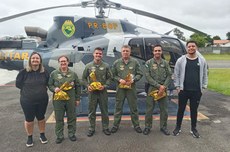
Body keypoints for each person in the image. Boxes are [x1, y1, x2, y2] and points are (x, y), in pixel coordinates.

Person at [173, 40, 208, 138]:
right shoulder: (181, 60)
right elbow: (176, 74)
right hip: (183, 90)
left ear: (196, 47)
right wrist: (177, 87)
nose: (191, 48)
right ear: (186, 48)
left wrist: (204, 87)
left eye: (193, 46)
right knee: (181, 109)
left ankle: (193, 129)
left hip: (196, 91)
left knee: (194, 110)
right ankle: (177, 127)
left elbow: (205, 74)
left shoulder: (202, 60)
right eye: (189, 46)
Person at [16, 52, 49, 147]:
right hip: (27, 101)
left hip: (42, 100)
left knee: (41, 118)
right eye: (33, 58)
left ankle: (42, 135)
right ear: (30, 60)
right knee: (29, 120)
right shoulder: (23, 72)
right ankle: (29, 137)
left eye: (37, 58)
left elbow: (47, 83)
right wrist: (29, 91)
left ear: (40, 61)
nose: (35, 60)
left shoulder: (44, 72)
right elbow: (18, 84)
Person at [48, 55, 81, 144]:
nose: (63, 63)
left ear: (68, 62)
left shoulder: (73, 74)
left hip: (70, 98)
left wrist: (77, 99)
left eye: (64, 61)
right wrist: (54, 89)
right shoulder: (54, 73)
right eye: (61, 61)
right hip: (58, 100)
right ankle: (59, 136)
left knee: (72, 117)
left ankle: (71, 134)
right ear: (59, 63)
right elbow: (50, 85)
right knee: (59, 118)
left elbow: (78, 86)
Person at [111, 45, 143, 133]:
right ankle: (115, 125)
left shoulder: (135, 62)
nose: (125, 52)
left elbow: (140, 74)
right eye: (124, 51)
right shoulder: (116, 63)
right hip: (120, 88)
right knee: (118, 107)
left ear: (130, 52)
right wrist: (119, 79)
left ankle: (136, 125)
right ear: (121, 52)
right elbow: (112, 75)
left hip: (131, 89)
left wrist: (133, 80)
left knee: (134, 108)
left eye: (127, 51)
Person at [82, 47, 113, 137]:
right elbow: (83, 78)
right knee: (92, 111)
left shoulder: (106, 66)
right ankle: (92, 128)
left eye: (100, 54)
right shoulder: (88, 66)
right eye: (96, 53)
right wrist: (88, 86)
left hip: (102, 92)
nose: (98, 55)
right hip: (92, 93)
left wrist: (105, 86)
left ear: (102, 55)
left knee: (104, 111)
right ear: (93, 54)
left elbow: (110, 78)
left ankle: (105, 128)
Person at [143, 44, 172, 135]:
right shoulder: (148, 63)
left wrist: (164, 86)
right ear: (153, 52)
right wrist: (159, 86)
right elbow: (148, 76)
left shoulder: (165, 63)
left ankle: (163, 127)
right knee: (149, 109)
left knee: (164, 110)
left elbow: (169, 75)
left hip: (163, 89)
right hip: (152, 88)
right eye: (156, 51)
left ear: (161, 52)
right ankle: (147, 127)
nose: (157, 52)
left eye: (159, 50)